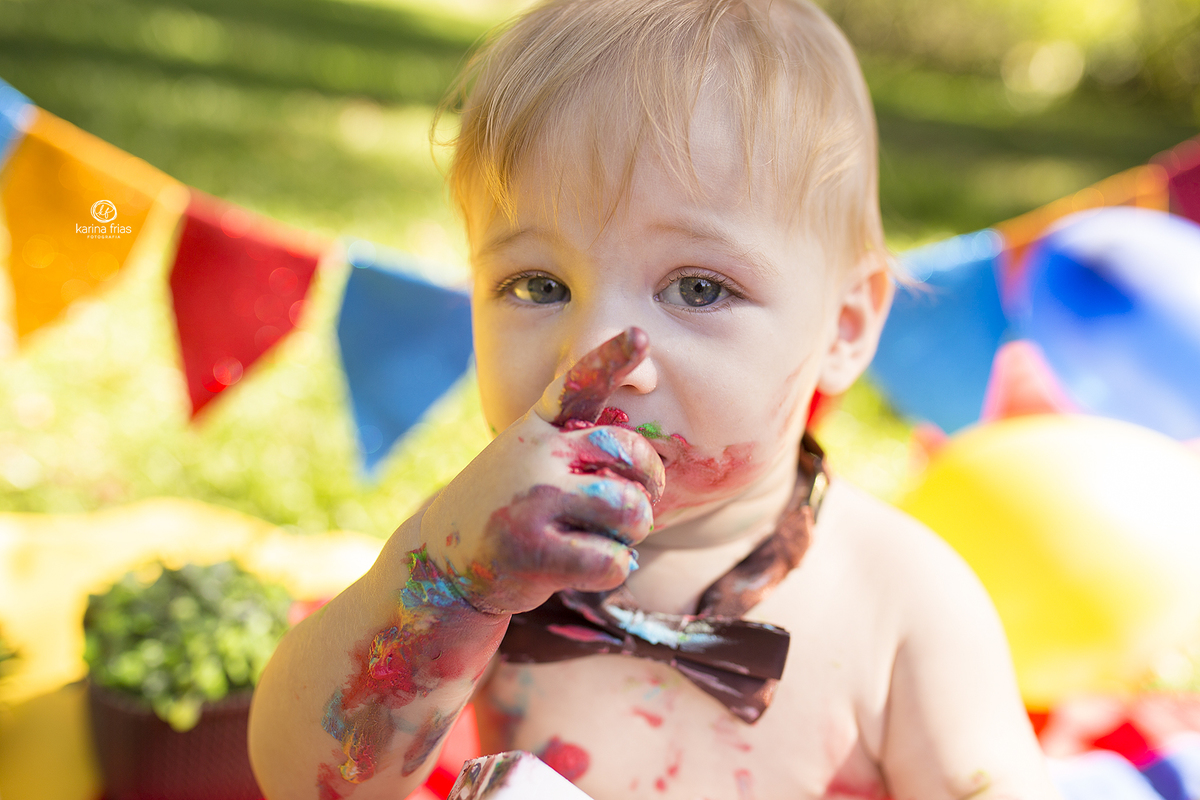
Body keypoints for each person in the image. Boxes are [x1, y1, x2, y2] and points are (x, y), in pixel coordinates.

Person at [248, 0, 1060, 797]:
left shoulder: (900, 599)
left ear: (843, 328)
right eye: (539, 284)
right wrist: (450, 582)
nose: (596, 353)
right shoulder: (475, 552)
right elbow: (306, 778)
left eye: (698, 287)